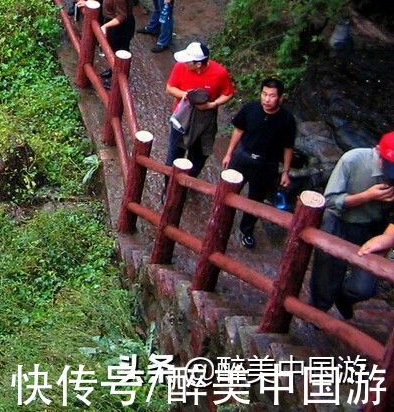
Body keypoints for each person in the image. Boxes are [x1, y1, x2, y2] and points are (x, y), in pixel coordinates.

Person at [311, 132, 394, 319]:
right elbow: (330, 201)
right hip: (339, 221)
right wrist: (367, 196)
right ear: (378, 151)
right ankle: (316, 315)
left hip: (374, 229)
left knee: (364, 287)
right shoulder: (353, 160)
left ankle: (344, 298)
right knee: (326, 275)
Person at [220, 78, 297, 248]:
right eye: (264, 94)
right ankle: (220, 220)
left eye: (271, 96)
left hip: (266, 164)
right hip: (242, 156)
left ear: (280, 98)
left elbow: (288, 147)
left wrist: (285, 171)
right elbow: (238, 130)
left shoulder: (286, 120)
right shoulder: (250, 108)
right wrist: (229, 154)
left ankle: (246, 230)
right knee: (227, 189)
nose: (266, 99)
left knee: (255, 199)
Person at [162, 41, 235, 176]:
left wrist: (213, 104)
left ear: (198, 64)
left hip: (204, 121)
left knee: (198, 158)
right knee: (173, 156)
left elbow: (228, 93)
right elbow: (170, 88)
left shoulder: (219, 73)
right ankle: (169, 188)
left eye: (188, 61)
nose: (184, 63)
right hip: (181, 118)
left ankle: (189, 182)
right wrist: (188, 96)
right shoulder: (180, 67)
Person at [87, 0, 133, 64]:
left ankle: (118, 72)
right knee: (111, 46)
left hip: (121, 26)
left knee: (119, 49)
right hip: (110, 20)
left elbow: (121, 16)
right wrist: (87, 2)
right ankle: (112, 68)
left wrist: (105, 26)